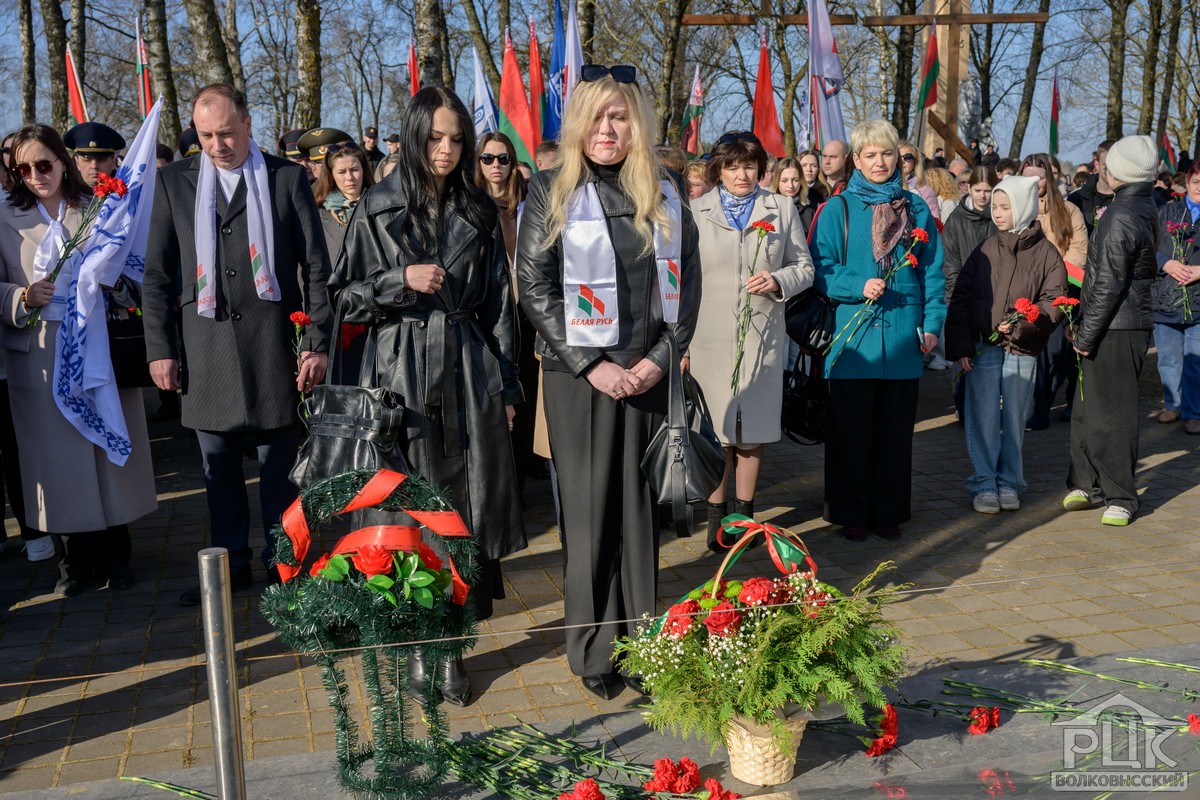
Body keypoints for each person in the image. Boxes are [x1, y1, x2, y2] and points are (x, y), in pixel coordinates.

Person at [332, 86, 525, 706]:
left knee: (463, 512)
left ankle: (453, 644)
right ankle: (420, 646)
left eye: (457, 139)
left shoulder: (478, 207)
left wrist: (507, 386)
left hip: (467, 371)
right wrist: (399, 280)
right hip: (399, 376)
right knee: (408, 511)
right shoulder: (377, 205)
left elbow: (500, 307)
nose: (446, 150)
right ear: (415, 135)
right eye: (435, 137)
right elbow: (343, 298)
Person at [516, 65, 700, 701]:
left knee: (640, 515)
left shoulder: (665, 190)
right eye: (596, 116)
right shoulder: (551, 189)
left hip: (647, 371)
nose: (606, 129)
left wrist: (660, 359)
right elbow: (533, 285)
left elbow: (688, 286)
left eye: (618, 116)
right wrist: (593, 363)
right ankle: (594, 646)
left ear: (636, 124)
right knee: (592, 512)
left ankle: (643, 644)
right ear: (578, 124)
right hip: (581, 375)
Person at [142, 84, 333, 606]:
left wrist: (316, 342)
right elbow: (156, 275)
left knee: (280, 474)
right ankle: (229, 568)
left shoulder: (285, 178)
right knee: (218, 474)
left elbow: (317, 268)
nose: (217, 145)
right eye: (206, 135)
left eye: (226, 133)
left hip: (274, 348)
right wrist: (159, 348)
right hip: (205, 351)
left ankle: (285, 568)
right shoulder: (173, 183)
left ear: (248, 125)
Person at [0, 124, 157, 594]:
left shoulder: (96, 207)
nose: (34, 175)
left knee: (103, 449)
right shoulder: (3, 216)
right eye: (22, 169)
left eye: (43, 164)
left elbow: (130, 265)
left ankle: (117, 556)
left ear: (62, 162)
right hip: (39, 353)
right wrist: (20, 296)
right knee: (58, 460)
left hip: (95, 344)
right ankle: (74, 563)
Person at [810, 119, 944, 542]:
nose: (880, 162)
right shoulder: (838, 208)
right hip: (853, 339)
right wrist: (856, 285)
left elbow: (933, 271)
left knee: (894, 434)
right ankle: (851, 513)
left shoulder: (916, 208)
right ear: (856, 160)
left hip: (903, 336)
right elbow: (819, 268)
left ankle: (888, 511)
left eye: (887, 153)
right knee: (851, 433)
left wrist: (933, 323)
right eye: (870, 155)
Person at [690, 133, 813, 550]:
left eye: (748, 165)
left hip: (762, 335)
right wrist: (681, 345)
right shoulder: (696, 211)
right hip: (708, 338)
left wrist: (777, 280)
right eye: (732, 166)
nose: (741, 174)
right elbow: (682, 281)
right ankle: (715, 518)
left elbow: (805, 267)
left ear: (761, 168)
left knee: (752, 430)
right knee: (716, 430)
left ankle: (744, 518)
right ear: (718, 170)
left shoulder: (780, 207)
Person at [945, 175, 1066, 514]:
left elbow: (1054, 301)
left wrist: (1023, 325)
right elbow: (961, 298)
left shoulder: (1046, 253)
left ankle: (1010, 481)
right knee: (983, 414)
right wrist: (961, 346)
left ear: (1023, 208)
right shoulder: (985, 248)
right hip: (985, 345)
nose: (997, 213)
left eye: (1005, 207)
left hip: (1022, 348)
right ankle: (984, 482)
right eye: (995, 207)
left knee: (1014, 417)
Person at [1065, 134, 1159, 526]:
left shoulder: (1121, 213)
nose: (1102, 168)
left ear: (1119, 170)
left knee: (1112, 414)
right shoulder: (1139, 203)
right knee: (1088, 406)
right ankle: (1085, 482)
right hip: (1116, 321)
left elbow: (1108, 282)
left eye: (1109, 163)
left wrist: (1086, 334)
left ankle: (1121, 496)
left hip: (1118, 325)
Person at [474, 131, 539, 492]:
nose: (496, 165)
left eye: (503, 158)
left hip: (529, 314)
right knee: (494, 401)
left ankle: (521, 483)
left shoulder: (530, 200)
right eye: (488, 158)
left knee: (525, 398)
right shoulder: (469, 203)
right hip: (488, 315)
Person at [1022, 152, 1089, 430]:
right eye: (1027, 178)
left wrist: (1053, 279)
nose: (1033, 183)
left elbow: (1079, 251)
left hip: (1059, 294)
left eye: (1038, 178)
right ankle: (1031, 412)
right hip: (1023, 296)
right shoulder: (1014, 208)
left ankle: (1039, 407)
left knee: (1053, 356)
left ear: (1048, 178)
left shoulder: (1068, 210)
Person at [1151, 160, 1200, 434]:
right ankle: (1174, 404)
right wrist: (1165, 263)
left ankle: (1194, 412)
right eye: (1196, 182)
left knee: (1195, 362)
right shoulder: (1166, 212)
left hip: (1198, 302)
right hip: (1167, 298)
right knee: (1168, 359)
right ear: (1187, 182)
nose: (1199, 188)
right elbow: (1147, 248)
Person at [312, 138, 375, 263]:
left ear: (363, 170)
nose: (349, 177)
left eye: (354, 170)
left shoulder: (381, 207)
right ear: (331, 175)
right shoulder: (316, 216)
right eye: (341, 172)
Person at [1069, 139, 1116, 236]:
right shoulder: (1076, 198)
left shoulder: (1130, 198)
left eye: (1115, 164)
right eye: (1106, 165)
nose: (1111, 170)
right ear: (1097, 164)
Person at [63, 122, 124, 190]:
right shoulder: (64, 192)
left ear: (113, 162)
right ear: (77, 163)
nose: (94, 166)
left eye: (101, 160)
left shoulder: (127, 191)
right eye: (87, 160)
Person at [771, 155, 816, 234]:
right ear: (777, 182)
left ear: (801, 181)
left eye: (795, 180)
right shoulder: (769, 210)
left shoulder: (809, 213)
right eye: (784, 180)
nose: (791, 185)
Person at [898, 140, 940, 222]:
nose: (902, 161)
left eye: (908, 157)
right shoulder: (884, 183)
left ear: (915, 161)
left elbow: (934, 220)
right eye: (899, 157)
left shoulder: (924, 189)